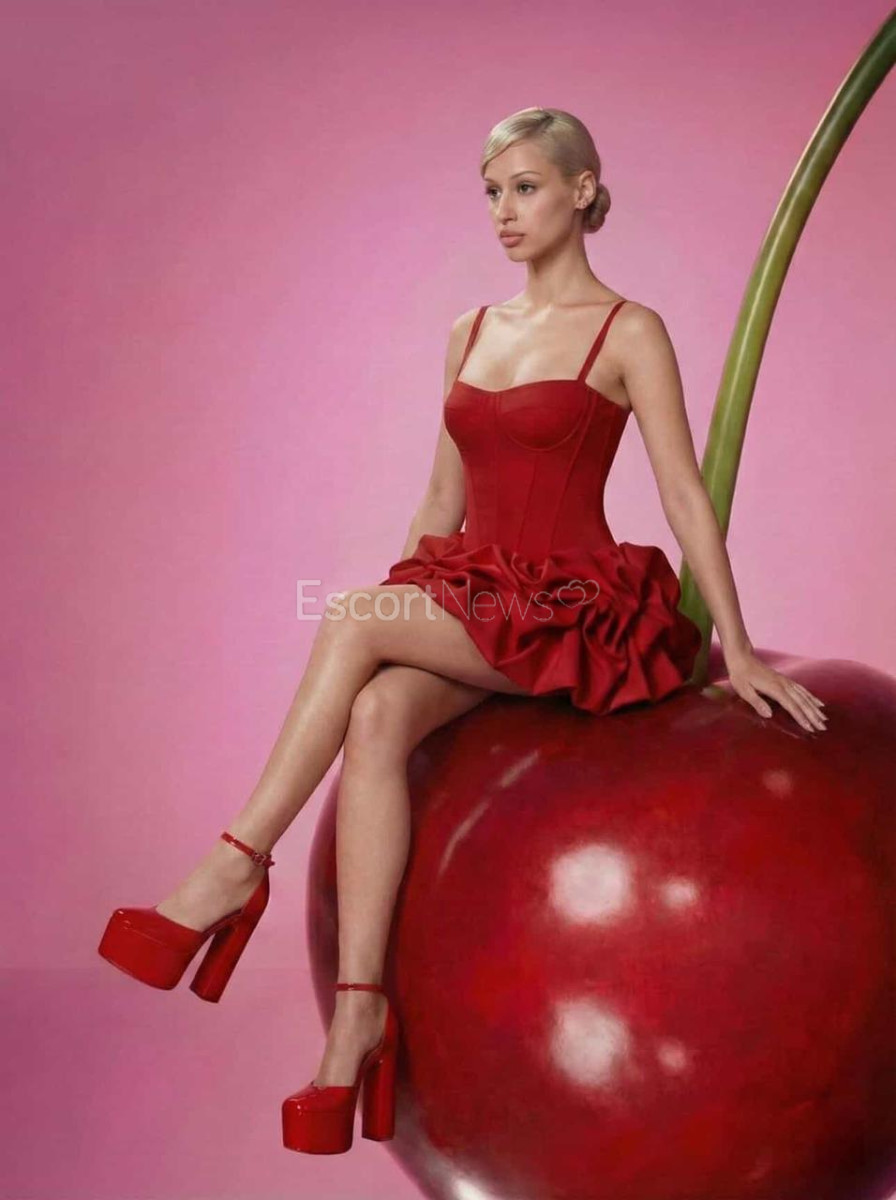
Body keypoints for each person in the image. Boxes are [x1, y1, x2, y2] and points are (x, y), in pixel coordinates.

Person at [97, 105, 828, 1154]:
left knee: (351, 617)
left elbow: (681, 492)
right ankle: (357, 1016)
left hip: (577, 611)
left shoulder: (628, 330)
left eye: (525, 187)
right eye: (490, 192)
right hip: (482, 600)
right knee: (377, 709)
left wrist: (741, 647)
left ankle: (236, 863)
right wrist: (410, 614)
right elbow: (440, 502)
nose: (503, 211)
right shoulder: (469, 332)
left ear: (582, 190)